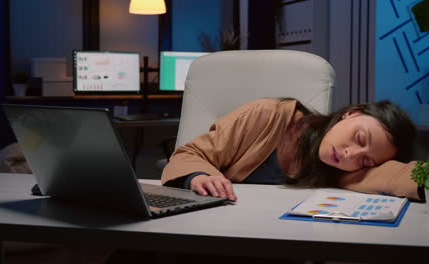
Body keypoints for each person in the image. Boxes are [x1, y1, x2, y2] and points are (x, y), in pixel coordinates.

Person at [161, 98, 424, 201]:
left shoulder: (342, 168)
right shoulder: (269, 115)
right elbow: (189, 154)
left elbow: (397, 176)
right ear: (351, 114)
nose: (350, 155)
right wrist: (199, 176)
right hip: (214, 230)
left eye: (366, 161)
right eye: (359, 137)